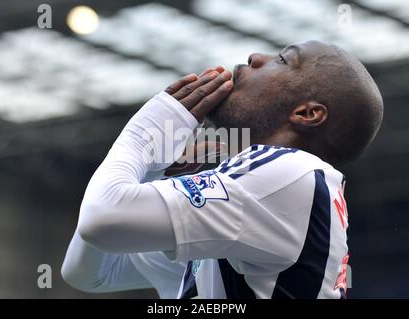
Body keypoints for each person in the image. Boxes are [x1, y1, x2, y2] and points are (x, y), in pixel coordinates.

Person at [61, 40, 383, 299]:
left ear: (307, 113)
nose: (255, 56)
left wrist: (144, 135)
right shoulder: (253, 214)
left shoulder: (290, 172)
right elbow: (92, 273)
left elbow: (100, 221)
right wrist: (152, 171)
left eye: (283, 60)